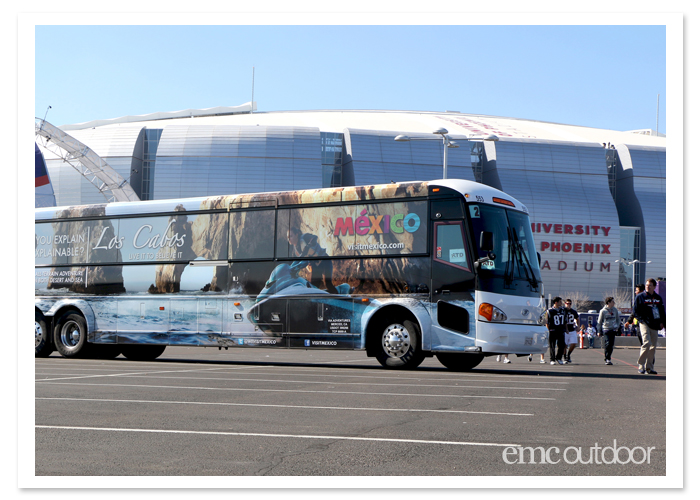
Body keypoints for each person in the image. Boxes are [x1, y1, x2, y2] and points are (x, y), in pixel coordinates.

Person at [287, 226, 338, 294]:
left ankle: (339, 298)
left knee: (327, 283)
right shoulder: (295, 252)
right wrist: (289, 270)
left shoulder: (305, 237)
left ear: (296, 235)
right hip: (316, 265)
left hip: (325, 260)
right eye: (288, 237)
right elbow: (295, 263)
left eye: (291, 236)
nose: (289, 239)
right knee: (313, 285)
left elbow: (315, 237)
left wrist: (308, 246)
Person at [632, 278, 666, 375]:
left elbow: (662, 312)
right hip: (644, 323)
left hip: (655, 324)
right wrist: (641, 320)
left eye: (650, 285)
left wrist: (663, 323)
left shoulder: (658, 298)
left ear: (654, 287)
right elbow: (635, 310)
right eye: (646, 285)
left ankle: (649, 367)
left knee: (653, 347)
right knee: (646, 343)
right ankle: (641, 365)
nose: (647, 286)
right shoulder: (640, 297)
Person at [597, 297, 621, 365]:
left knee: (611, 344)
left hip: (613, 329)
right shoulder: (603, 311)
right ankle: (607, 358)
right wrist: (599, 331)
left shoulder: (615, 310)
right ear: (609, 303)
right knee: (607, 343)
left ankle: (609, 357)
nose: (614, 303)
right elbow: (599, 321)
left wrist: (617, 326)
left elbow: (618, 319)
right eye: (613, 302)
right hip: (606, 329)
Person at [546, 297, 567, 365]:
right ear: (556, 302)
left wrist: (566, 329)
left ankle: (559, 358)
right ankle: (552, 359)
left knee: (562, 345)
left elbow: (565, 321)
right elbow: (547, 322)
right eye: (560, 301)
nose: (561, 303)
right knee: (552, 345)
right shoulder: (550, 311)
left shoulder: (563, 310)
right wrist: (548, 330)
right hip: (553, 330)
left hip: (561, 330)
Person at [563, 299, 580, 363]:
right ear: (565, 303)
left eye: (570, 303)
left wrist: (578, 326)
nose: (569, 305)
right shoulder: (563, 311)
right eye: (567, 303)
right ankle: (565, 357)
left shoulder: (573, 311)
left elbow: (577, 318)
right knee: (565, 345)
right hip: (565, 330)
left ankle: (568, 354)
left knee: (574, 343)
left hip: (572, 330)